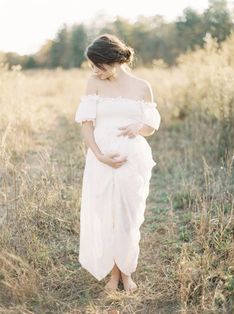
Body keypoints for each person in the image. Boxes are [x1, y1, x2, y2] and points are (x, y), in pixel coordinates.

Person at [75, 33, 161, 292]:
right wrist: (100, 155)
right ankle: (114, 275)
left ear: (112, 60)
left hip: (132, 161)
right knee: (107, 216)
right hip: (101, 161)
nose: (94, 70)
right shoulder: (94, 84)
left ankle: (127, 272)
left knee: (128, 218)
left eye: (97, 65)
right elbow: (87, 125)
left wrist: (139, 126)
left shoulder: (142, 86)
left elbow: (150, 126)